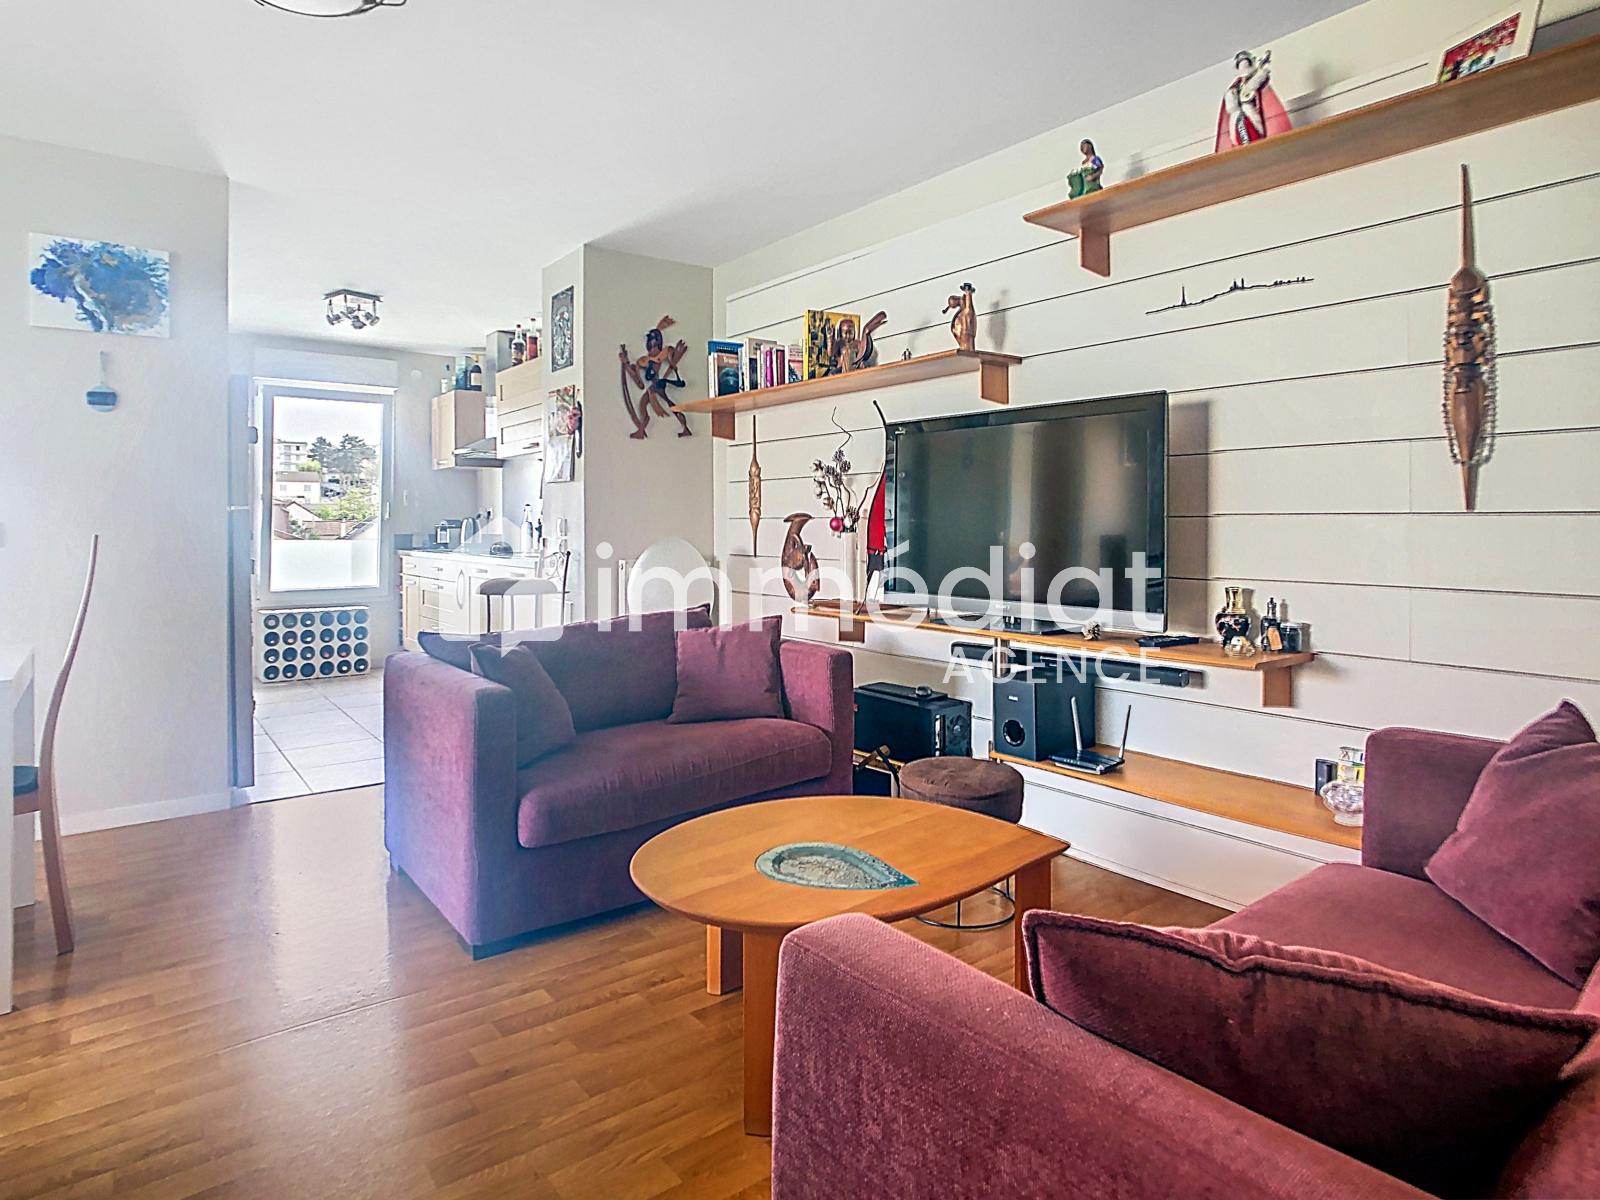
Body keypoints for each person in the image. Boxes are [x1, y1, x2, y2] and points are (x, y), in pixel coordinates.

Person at [1216, 50, 1291, 152]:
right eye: (1241, 65)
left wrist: (1259, 75)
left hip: (1250, 112)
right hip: (1238, 116)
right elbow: (1231, 107)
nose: (1244, 67)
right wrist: (1232, 96)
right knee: (1238, 135)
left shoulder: (1254, 80)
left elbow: (1258, 84)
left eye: (1246, 64)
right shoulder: (1236, 86)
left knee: (1253, 131)